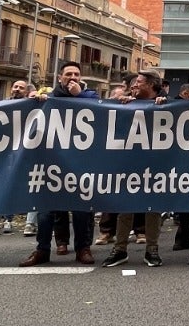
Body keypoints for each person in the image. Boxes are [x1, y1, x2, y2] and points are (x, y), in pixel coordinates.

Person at [24, 62, 100, 266]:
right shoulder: (50, 97)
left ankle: (83, 248)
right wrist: (35, 101)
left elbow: (98, 106)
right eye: (68, 74)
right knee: (46, 210)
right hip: (51, 162)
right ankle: (42, 249)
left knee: (82, 209)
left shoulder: (89, 95)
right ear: (60, 78)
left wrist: (78, 96)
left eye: (76, 73)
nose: (72, 77)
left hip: (80, 163)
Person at [103, 70, 169, 268]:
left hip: (156, 162)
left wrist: (164, 104)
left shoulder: (166, 103)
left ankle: (152, 249)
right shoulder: (127, 102)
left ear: (151, 85)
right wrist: (118, 103)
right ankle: (120, 249)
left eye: (139, 82)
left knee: (153, 208)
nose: (134, 85)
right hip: (130, 161)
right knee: (126, 205)